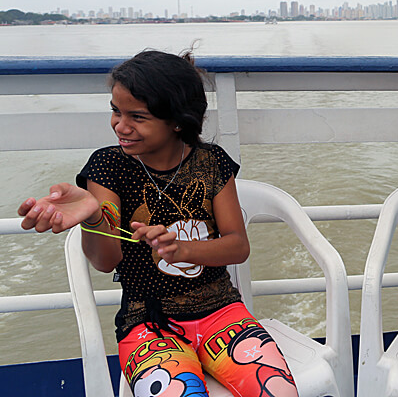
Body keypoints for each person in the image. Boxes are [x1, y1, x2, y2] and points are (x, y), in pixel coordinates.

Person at [18, 50, 298, 397]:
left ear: (178, 121)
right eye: (115, 111)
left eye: (138, 116)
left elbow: (237, 246)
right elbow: (106, 262)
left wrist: (183, 248)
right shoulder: (108, 167)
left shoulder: (211, 164)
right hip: (149, 324)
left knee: (279, 391)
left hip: (223, 314)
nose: (121, 126)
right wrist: (92, 218)